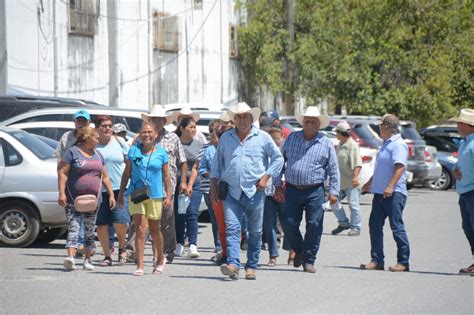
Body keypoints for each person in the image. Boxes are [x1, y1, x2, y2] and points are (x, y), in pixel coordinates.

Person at [210, 102, 283, 280]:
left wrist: (266, 177)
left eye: (245, 116)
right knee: (232, 228)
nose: (242, 120)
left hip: (255, 191)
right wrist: (213, 188)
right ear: (234, 119)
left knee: (255, 231)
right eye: (239, 117)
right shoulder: (226, 138)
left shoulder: (263, 137)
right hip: (231, 192)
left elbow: (278, 159)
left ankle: (251, 265)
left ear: (252, 118)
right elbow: (217, 165)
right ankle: (234, 264)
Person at [280, 106, 339, 273]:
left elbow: (333, 169)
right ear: (303, 123)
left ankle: (309, 260)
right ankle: (299, 249)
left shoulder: (326, 143)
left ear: (319, 124)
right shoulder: (291, 138)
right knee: (289, 223)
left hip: (315, 191)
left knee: (314, 224)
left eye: (313, 121)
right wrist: (276, 183)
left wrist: (334, 192)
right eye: (307, 121)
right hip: (292, 188)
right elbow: (280, 160)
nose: (310, 124)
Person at [57, 127, 115, 271]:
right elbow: (62, 173)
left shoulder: (98, 154)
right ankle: (70, 257)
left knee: (90, 230)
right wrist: (61, 193)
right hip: (73, 199)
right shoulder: (72, 152)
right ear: (87, 138)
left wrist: (111, 194)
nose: (98, 140)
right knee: (74, 228)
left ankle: (88, 260)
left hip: (93, 201)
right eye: (95, 138)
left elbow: (105, 176)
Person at [118, 122, 172, 276]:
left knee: (155, 230)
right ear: (139, 134)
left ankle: (160, 259)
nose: (147, 135)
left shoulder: (161, 153)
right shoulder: (133, 151)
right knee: (140, 229)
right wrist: (121, 193)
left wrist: (169, 195)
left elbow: (167, 176)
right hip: (137, 194)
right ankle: (140, 265)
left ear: (156, 135)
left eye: (150, 132)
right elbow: (127, 173)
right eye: (144, 132)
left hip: (155, 195)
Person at [360, 114, 410, 272]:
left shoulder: (398, 145)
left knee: (396, 227)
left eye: (380, 126)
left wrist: (390, 186)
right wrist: (369, 183)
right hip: (379, 193)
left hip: (394, 193)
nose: (379, 129)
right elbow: (381, 169)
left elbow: (400, 167)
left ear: (387, 127)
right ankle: (377, 260)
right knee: (374, 225)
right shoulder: (385, 144)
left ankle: (403, 262)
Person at [141, 105, 187, 263]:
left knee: (166, 221)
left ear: (164, 121)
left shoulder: (173, 138)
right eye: (154, 119)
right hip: (145, 186)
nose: (157, 122)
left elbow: (183, 161)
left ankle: (168, 252)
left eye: (159, 119)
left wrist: (184, 182)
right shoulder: (143, 138)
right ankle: (134, 251)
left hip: (167, 186)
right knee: (141, 220)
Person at [93, 115, 130, 267]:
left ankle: (122, 249)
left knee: (120, 221)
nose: (108, 128)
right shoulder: (93, 145)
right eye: (104, 126)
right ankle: (107, 255)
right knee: (102, 224)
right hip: (99, 190)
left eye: (109, 125)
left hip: (120, 188)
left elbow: (130, 162)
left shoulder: (119, 141)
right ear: (96, 128)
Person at [55, 109, 91, 258]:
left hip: (86, 179)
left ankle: (81, 244)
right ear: (75, 122)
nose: (81, 124)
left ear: (89, 122)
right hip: (70, 180)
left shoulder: (91, 136)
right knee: (73, 214)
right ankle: (76, 244)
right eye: (79, 121)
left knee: (86, 211)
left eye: (84, 121)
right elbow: (59, 158)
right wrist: (60, 182)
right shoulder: (67, 137)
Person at [449, 109, 474, 275]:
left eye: (459, 123)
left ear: (466, 125)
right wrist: (455, 170)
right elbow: (460, 164)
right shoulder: (464, 142)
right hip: (464, 191)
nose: (457, 126)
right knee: (468, 227)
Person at [174, 117, 203, 258]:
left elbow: (196, 167)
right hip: (177, 184)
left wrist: (190, 184)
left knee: (192, 213)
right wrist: (181, 183)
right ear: (182, 128)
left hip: (194, 184)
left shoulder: (198, 145)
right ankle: (179, 243)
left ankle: (193, 245)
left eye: (194, 127)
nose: (193, 129)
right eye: (190, 127)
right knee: (179, 214)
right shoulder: (175, 143)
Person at [330, 122, 363, 236]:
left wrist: (355, 177)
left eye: (337, 132)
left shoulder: (352, 145)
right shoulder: (340, 144)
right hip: (340, 182)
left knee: (353, 205)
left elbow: (358, 164)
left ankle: (356, 227)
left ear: (341, 133)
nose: (336, 135)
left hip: (351, 182)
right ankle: (343, 223)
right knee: (333, 201)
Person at [199, 120, 222, 256]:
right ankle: (218, 245)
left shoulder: (230, 149)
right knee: (215, 218)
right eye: (212, 134)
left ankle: (230, 244)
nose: (213, 137)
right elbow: (201, 168)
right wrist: (212, 176)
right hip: (209, 189)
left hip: (227, 188)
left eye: (217, 135)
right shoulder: (207, 151)